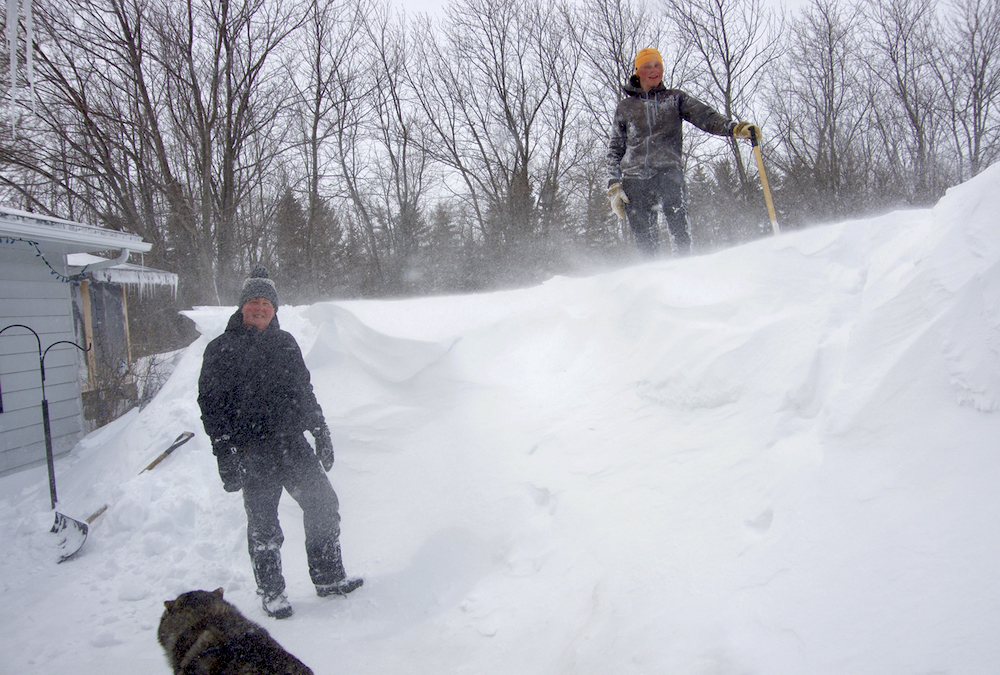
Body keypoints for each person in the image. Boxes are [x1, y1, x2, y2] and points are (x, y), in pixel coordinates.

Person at [198, 265, 362, 619]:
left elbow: (303, 391)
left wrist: (320, 429)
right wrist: (224, 452)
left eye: (266, 303)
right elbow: (210, 407)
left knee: (323, 505)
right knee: (264, 525)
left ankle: (329, 578)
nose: (259, 308)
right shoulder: (220, 349)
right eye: (253, 302)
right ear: (242, 307)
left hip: (292, 444)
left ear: (275, 309)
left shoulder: (286, 343)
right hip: (251, 451)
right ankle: (272, 593)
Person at [607, 47, 759, 256]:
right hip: (634, 179)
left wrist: (734, 128)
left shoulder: (675, 99)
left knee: (680, 232)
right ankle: (655, 283)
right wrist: (613, 184)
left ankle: (685, 276)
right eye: (647, 66)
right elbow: (615, 147)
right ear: (637, 71)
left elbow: (705, 116)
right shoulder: (626, 107)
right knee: (646, 244)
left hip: (667, 172)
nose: (654, 70)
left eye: (657, 65)